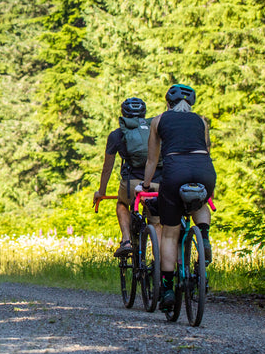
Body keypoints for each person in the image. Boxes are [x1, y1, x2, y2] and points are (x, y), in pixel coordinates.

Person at [139, 83, 216, 310]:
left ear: (168, 103)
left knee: (170, 234)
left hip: (174, 171)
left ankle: (168, 289)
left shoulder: (159, 120)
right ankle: (203, 236)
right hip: (204, 169)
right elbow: (207, 150)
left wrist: (145, 184)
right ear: (190, 103)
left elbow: (152, 159)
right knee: (200, 199)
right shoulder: (201, 121)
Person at [92, 97, 161, 257]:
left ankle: (127, 240)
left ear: (123, 114)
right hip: (159, 182)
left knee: (122, 204)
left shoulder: (117, 135)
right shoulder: (156, 131)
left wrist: (101, 192)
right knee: (155, 221)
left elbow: (107, 168)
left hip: (133, 184)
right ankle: (160, 266)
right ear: (144, 113)